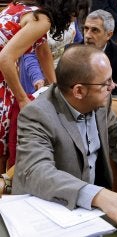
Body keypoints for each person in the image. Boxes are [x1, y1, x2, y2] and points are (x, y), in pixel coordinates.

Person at [12, 45, 117, 236]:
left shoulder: (101, 100)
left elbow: (113, 128)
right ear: (79, 91)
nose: (113, 87)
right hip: (49, 211)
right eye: (106, 83)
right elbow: (37, 171)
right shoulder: (37, 114)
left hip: (90, 216)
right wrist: (96, 194)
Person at [0, 0, 90, 171]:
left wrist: (55, 86)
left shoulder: (24, 7)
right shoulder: (42, 19)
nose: (74, 19)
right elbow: (4, 59)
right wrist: (22, 99)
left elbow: (42, 50)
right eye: (75, 13)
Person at [19, 20, 84, 94]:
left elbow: (77, 41)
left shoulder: (71, 16)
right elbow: (29, 53)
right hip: (37, 73)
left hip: (62, 74)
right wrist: (37, 78)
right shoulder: (39, 20)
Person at [84, 9, 117, 90]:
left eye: (95, 30)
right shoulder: (71, 51)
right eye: (86, 29)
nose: (87, 35)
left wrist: (104, 87)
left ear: (109, 35)